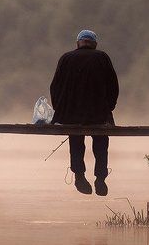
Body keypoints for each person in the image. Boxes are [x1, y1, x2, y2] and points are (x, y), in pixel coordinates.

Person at [50, 29, 119, 196]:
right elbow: (113, 86)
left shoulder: (66, 58)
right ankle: (100, 178)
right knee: (101, 143)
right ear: (94, 44)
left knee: (76, 142)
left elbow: (55, 87)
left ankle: (79, 175)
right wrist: (108, 108)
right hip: (98, 114)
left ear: (78, 43)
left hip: (70, 115)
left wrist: (60, 110)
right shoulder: (102, 57)